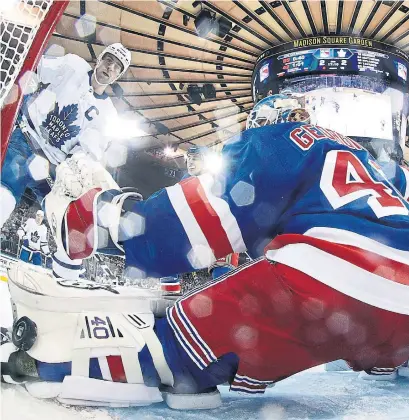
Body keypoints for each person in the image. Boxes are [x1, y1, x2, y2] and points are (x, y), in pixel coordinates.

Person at [3, 94, 409, 410]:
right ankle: (391, 358)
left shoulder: (281, 139)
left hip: (328, 280)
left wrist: (111, 217)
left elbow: (206, 216)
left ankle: (57, 368)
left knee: (185, 340)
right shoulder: (370, 162)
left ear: (266, 123)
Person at [0, 42, 131, 229]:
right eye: (108, 60)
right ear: (99, 60)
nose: (110, 67)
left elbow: (84, 152)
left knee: (68, 226)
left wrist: (70, 175)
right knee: (3, 196)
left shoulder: (108, 114)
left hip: (53, 166)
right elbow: (37, 68)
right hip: (27, 140)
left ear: (117, 76)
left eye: (116, 67)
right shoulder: (72, 65)